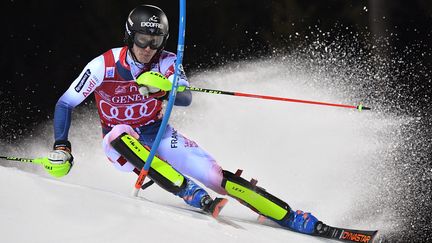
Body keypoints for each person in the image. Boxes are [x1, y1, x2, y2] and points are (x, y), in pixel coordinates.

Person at [47, 4, 321, 234]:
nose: (148, 48)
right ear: (130, 36)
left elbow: (186, 97)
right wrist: (62, 146)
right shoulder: (102, 65)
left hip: (158, 134)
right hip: (119, 146)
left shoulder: (167, 62)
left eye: (155, 41)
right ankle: (188, 191)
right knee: (119, 133)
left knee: (215, 176)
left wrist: (163, 90)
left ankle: (291, 217)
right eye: (142, 39)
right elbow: (65, 103)